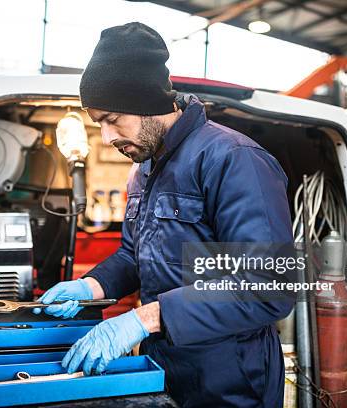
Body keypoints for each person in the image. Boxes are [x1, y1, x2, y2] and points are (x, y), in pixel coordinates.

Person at [33, 22, 294, 407]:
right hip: (165, 366)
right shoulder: (144, 169)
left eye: (111, 119)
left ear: (147, 103)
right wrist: (91, 288)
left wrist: (142, 320)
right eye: (97, 123)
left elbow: (267, 284)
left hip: (232, 376)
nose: (106, 137)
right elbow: (133, 255)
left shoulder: (233, 160)